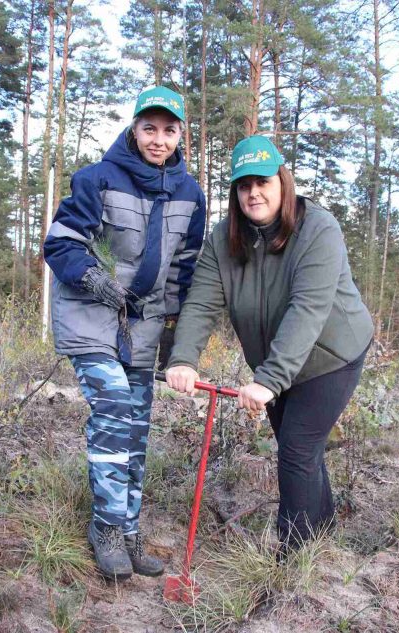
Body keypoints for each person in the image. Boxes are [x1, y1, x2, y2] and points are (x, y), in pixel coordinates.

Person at [165, 135, 373, 552]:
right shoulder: (223, 240)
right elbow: (202, 302)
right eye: (244, 185)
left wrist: (269, 379)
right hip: (277, 363)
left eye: (262, 181)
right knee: (301, 449)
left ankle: (294, 560)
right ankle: (323, 532)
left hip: (332, 354)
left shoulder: (318, 228)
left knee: (296, 449)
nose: (254, 192)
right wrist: (184, 358)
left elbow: (308, 309)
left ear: (283, 181)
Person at [44, 86, 206, 580]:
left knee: (136, 426)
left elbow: (183, 271)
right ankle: (106, 529)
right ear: (134, 129)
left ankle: (129, 532)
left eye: (169, 130)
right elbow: (62, 242)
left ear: (181, 136)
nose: (159, 139)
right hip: (89, 314)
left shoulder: (190, 194)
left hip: (144, 323)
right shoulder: (97, 178)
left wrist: (175, 343)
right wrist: (94, 279)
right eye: (150, 128)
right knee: (113, 405)